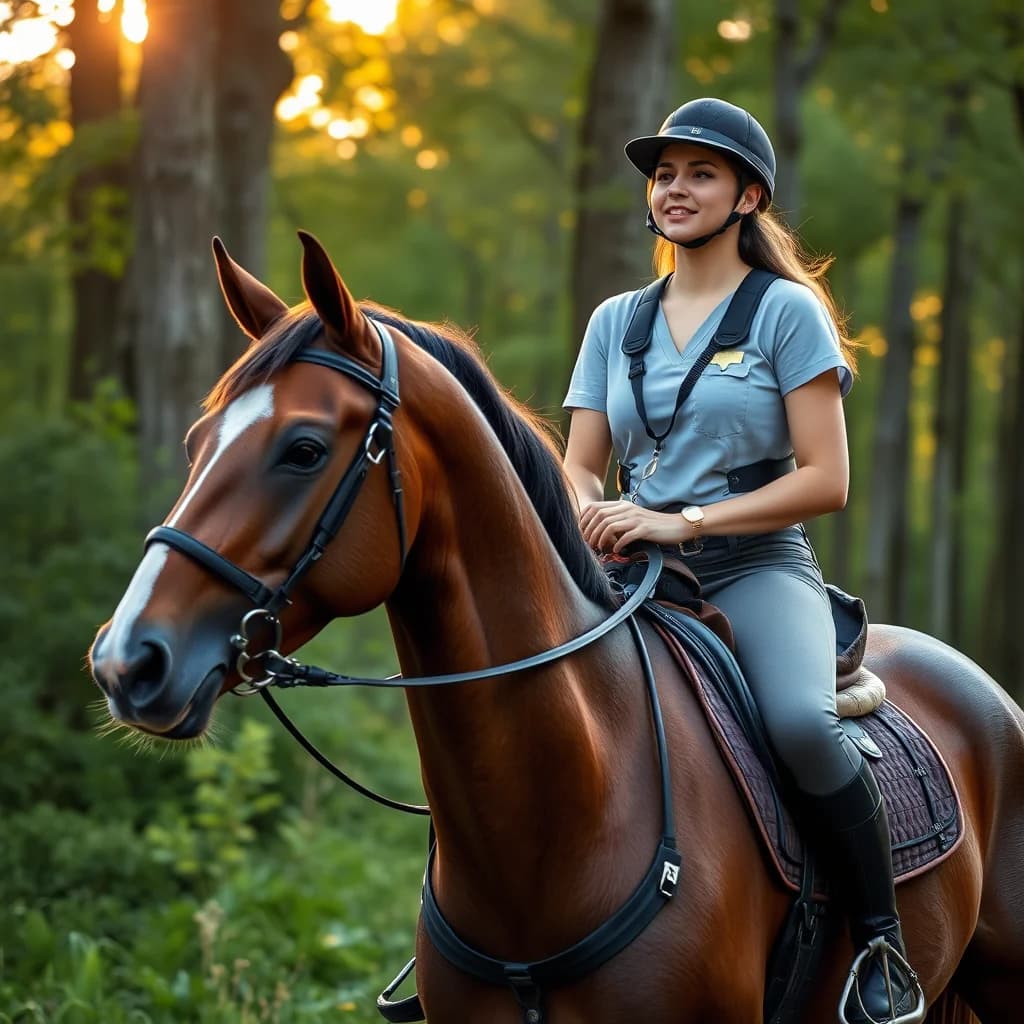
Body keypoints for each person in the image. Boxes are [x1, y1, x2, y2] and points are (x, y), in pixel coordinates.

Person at [562, 97, 925, 1024]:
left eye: (701, 173)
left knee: (803, 725)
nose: (675, 189)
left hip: (753, 567)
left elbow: (827, 478)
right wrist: (591, 512)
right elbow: (579, 463)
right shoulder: (616, 321)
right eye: (665, 174)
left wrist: (683, 521)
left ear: (748, 196)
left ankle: (882, 945)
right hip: (629, 574)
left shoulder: (786, 314)